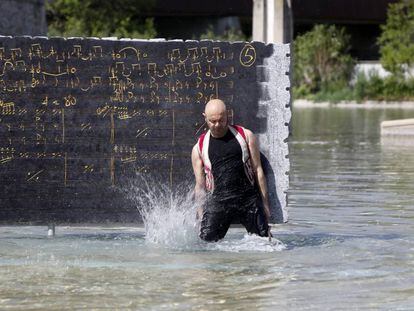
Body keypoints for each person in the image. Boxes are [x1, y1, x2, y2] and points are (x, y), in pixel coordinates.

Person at [191, 99, 271, 242]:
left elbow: (258, 170)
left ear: (228, 115)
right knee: (205, 247)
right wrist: (201, 213)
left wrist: (265, 204)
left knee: (266, 244)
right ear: (205, 118)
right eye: (212, 121)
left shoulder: (245, 136)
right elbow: (200, 185)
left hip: (247, 200)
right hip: (218, 202)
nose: (217, 125)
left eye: (221, 120)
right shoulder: (199, 147)